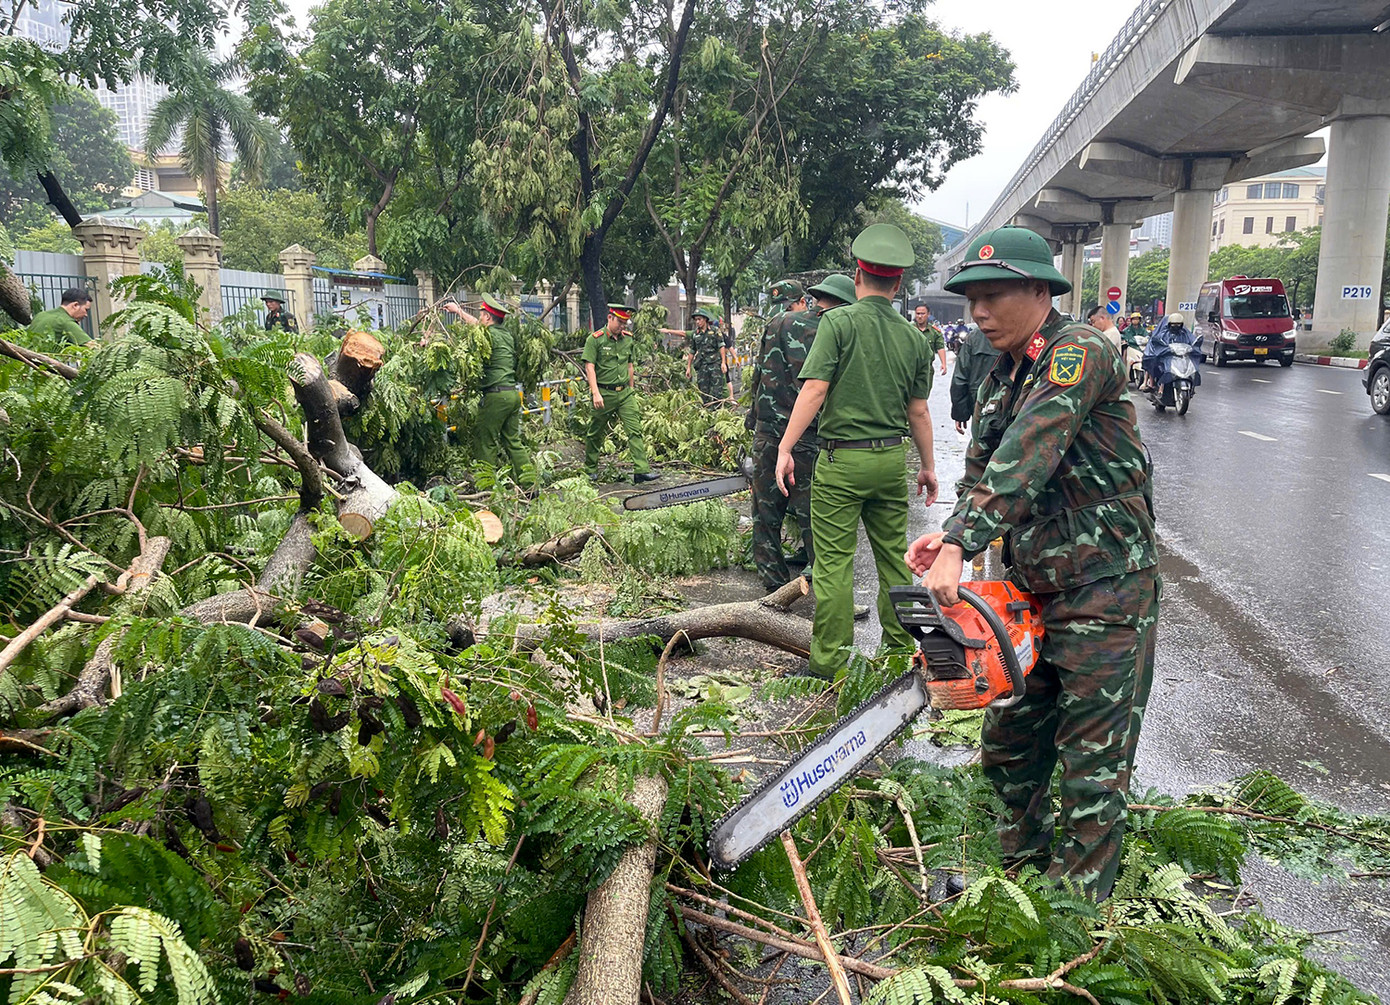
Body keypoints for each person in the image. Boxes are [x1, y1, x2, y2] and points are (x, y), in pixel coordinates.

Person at [905, 225, 1159, 901]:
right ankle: (1013, 880)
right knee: (1012, 740)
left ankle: (1072, 918)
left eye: (991, 297)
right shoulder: (1001, 374)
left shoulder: (1079, 354)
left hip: (1105, 592)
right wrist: (954, 548)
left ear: (1039, 290)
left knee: (1090, 768)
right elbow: (988, 469)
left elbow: (1029, 456)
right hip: (1034, 591)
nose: (977, 313)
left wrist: (958, 541)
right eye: (970, 300)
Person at [776, 224, 939, 679]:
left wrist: (785, 447)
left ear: (857, 276)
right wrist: (927, 467)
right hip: (889, 462)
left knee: (833, 564)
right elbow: (920, 412)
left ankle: (830, 665)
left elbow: (813, 391)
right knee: (894, 561)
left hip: (841, 463)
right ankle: (894, 659)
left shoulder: (837, 322)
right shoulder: (914, 337)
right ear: (899, 283)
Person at [747, 278, 828, 592]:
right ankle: (824, 586)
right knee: (813, 513)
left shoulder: (771, 325)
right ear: (804, 301)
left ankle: (774, 584)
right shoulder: (823, 327)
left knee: (765, 512)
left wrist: (752, 418)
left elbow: (758, 375)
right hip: (803, 432)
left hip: (767, 429)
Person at [443, 293, 532, 484]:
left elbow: (478, 331)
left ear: (488, 318)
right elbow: (477, 325)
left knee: (485, 441)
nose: (481, 318)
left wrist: (458, 311)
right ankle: (530, 484)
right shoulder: (506, 335)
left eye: (483, 315)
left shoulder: (488, 336)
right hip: (512, 394)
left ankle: (488, 487)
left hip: (496, 397)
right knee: (512, 441)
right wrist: (459, 311)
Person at [582, 303, 658, 483]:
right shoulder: (595, 339)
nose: (623, 326)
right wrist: (595, 393)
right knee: (595, 432)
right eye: (620, 322)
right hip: (604, 393)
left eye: (625, 323)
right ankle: (590, 469)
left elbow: (630, 365)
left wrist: (631, 389)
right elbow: (589, 367)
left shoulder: (628, 339)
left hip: (625, 393)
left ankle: (641, 470)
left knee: (635, 430)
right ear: (610, 318)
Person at [662, 307, 733, 404]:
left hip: (715, 364)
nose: (697, 322)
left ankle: (718, 410)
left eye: (699, 319)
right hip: (702, 366)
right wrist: (688, 367)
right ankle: (706, 410)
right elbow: (692, 351)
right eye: (696, 320)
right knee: (703, 391)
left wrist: (723, 363)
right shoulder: (696, 334)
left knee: (717, 391)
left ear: (705, 320)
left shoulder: (715, 331)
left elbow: (721, 346)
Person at [948, 323, 1000, 435]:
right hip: (1017, 409)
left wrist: (960, 414)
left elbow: (960, 377)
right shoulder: (1023, 332)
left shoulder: (975, 337)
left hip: (981, 405)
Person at [28, 287, 93, 346]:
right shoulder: (65, 321)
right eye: (86, 310)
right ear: (75, 305)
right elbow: (93, 347)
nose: (86, 315)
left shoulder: (40, 315)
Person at [911, 305, 949, 388]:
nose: (920, 316)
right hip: (910, 367)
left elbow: (940, 347)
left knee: (923, 395)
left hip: (927, 369)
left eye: (922, 314)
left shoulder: (934, 332)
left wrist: (944, 364)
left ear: (928, 314)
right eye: (918, 314)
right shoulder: (909, 329)